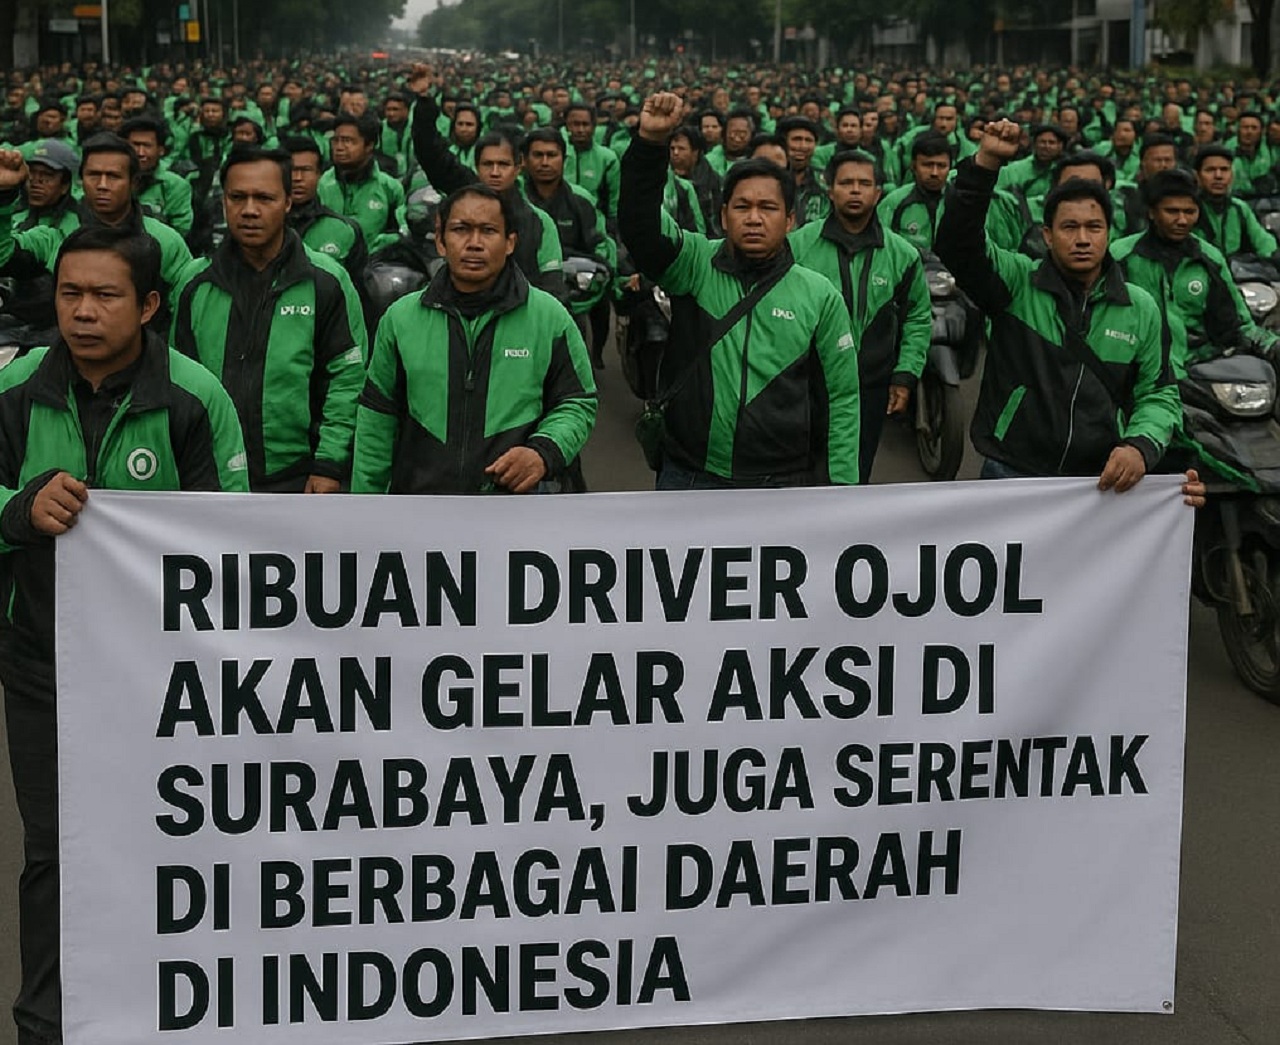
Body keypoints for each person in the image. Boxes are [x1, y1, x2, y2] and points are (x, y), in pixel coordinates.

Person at [0, 225, 247, 1045]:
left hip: (162, 680)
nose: (81, 311)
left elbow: (234, 535)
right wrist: (18, 510)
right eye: (69, 293)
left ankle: (167, 1003)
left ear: (146, 304)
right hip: (43, 666)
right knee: (54, 851)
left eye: (105, 296)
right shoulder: (15, 389)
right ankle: (47, 1016)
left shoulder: (194, 397)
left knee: (167, 843)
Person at [619, 91, 860, 489]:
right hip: (690, 475)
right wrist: (650, 143)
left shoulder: (819, 295)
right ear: (722, 215)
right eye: (741, 207)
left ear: (790, 220)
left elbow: (842, 399)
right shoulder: (694, 265)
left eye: (767, 209)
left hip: (781, 484)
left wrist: (841, 488)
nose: (753, 218)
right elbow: (640, 225)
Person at [935, 118, 1182, 489]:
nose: (1082, 238)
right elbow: (959, 245)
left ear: (1109, 233)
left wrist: (1139, 446)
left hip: (1099, 482)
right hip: (1011, 471)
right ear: (1047, 235)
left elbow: (1158, 393)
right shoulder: (1017, 284)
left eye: (1094, 227)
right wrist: (985, 163)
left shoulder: (1140, 308)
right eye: (1069, 227)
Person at [352, 184, 597, 494]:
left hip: (514, 518)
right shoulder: (400, 319)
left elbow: (578, 401)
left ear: (510, 242)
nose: (474, 243)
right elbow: (377, 419)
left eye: (488, 231)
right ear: (440, 241)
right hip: (421, 516)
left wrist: (543, 452)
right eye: (461, 229)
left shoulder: (549, 317)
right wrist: (365, 509)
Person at [171, 146, 368, 493]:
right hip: (210, 479)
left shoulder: (326, 281)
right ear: (223, 203)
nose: (249, 210)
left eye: (264, 198)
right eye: (238, 197)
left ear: (288, 202)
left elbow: (346, 380)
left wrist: (329, 464)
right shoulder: (194, 283)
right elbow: (178, 382)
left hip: (299, 479)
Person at [790, 149, 931, 481]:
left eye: (864, 183)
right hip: (804, 384)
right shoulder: (798, 245)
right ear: (830, 190)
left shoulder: (903, 254)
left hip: (869, 386)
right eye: (847, 183)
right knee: (800, 472)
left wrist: (904, 375)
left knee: (854, 473)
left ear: (878, 193)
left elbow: (918, 317)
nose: (855, 190)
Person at [407, 66, 565, 301]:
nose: (495, 172)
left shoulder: (538, 221)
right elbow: (432, 153)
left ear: (517, 167)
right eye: (487, 164)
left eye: (503, 164)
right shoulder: (464, 191)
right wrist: (424, 100)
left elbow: (552, 287)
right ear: (476, 166)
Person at [1112, 168, 1276, 374]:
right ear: (1152, 213)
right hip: (1136, 369)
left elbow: (1239, 324)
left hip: (1198, 368)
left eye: (1189, 212)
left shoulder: (1210, 257)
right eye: (1172, 211)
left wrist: (1272, 346)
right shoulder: (1121, 255)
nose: (1182, 220)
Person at [281, 135, 368, 284]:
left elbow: (357, 292)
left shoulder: (345, 230)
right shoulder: (260, 227)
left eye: (306, 170)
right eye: (291, 170)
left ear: (319, 174)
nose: (297, 178)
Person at [317, 112, 405, 253]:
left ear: (369, 145)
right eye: (335, 140)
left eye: (347, 141)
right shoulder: (321, 184)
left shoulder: (390, 188)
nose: (339, 147)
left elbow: (403, 231)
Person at [1192, 145, 1279, 260]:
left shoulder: (1239, 208)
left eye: (1224, 170)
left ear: (1231, 175)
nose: (1218, 176)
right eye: (1210, 170)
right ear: (1197, 176)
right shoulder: (1189, 209)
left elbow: (1263, 242)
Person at [877, 131, 950, 252]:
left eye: (941, 166)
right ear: (913, 166)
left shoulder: (960, 201)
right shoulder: (894, 202)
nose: (934, 173)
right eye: (927, 165)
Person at [122, 115, 194, 235]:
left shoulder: (176, 185)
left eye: (147, 146)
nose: (140, 153)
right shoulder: (111, 179)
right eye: (135, 145)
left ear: (160, 150)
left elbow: (180, 231)